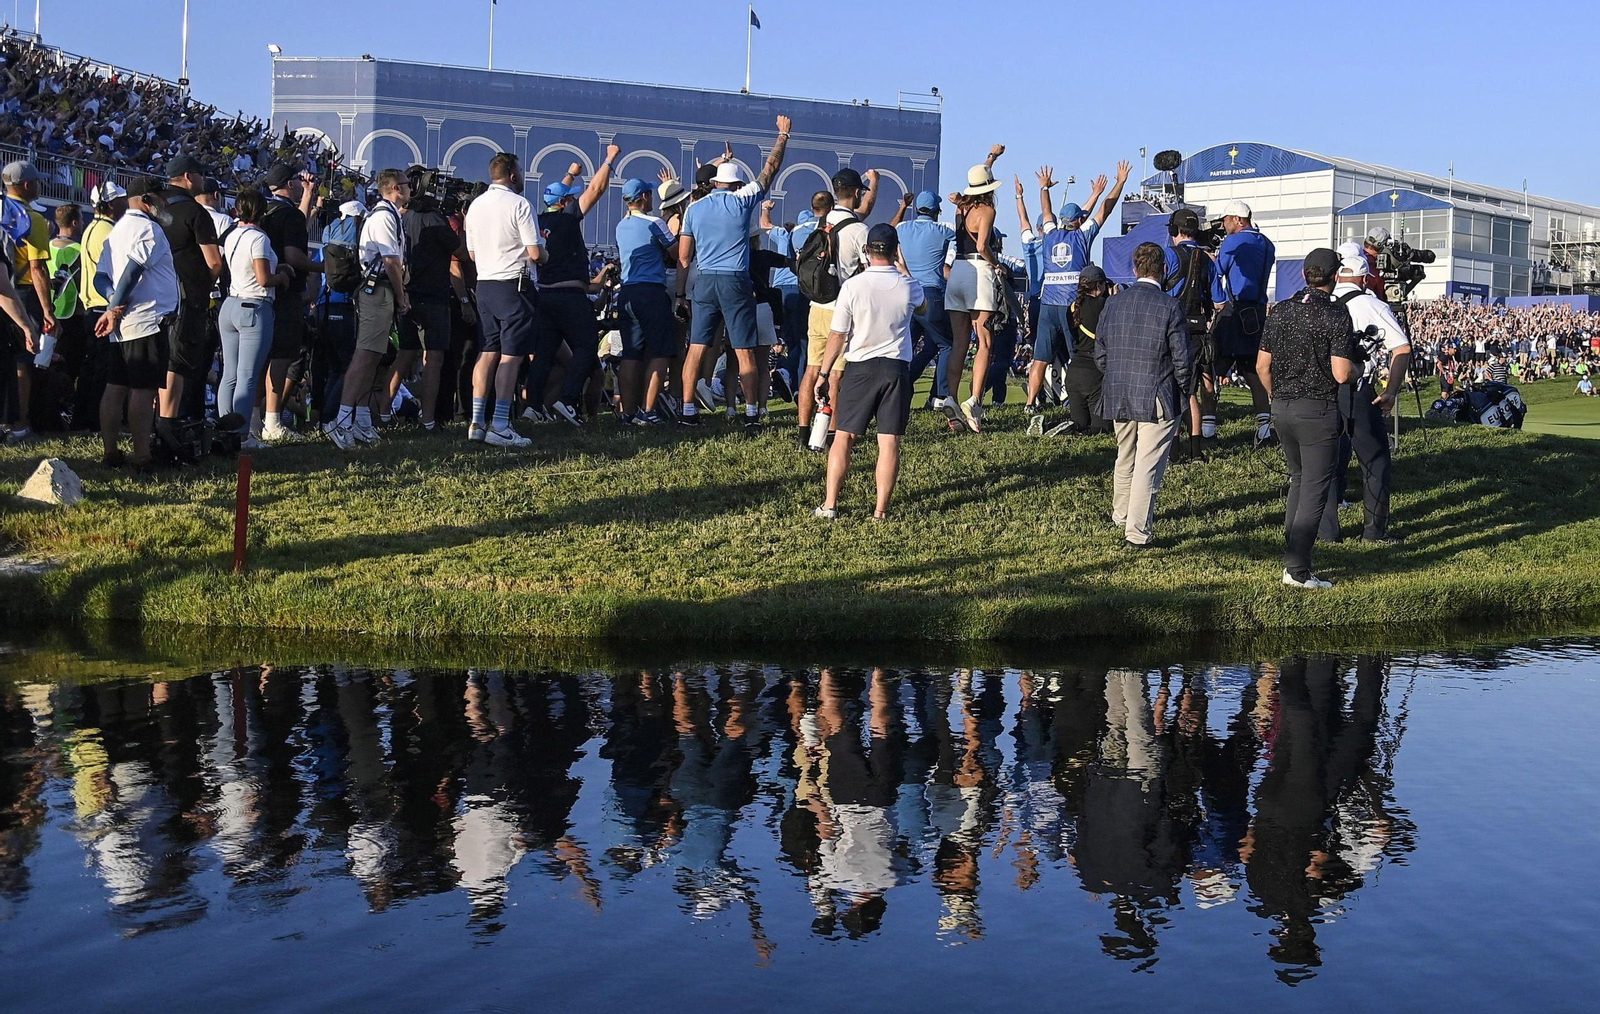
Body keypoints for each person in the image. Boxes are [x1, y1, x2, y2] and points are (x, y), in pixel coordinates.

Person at [674, 114, 792, 436]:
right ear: (737, 184)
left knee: (696, 348)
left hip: (705, 280)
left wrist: (681, 295)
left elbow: (683, 256)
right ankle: (751, 412)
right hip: (735, 280)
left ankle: (687, 410)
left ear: (715, 183)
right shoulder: (742, 201)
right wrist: (782, 136)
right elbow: (770, 169)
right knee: (744, 350)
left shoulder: (694, 209)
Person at [1258, 248, 1357, 589]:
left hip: (1282, 406)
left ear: (1304, 274)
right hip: (1317, 409)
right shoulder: (1336, 313)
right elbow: (1341, 373)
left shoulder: (1281, 310)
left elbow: (1262, 366)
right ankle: (1297, 568)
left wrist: (1274, 395)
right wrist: (1360, 368)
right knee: (1315, 489)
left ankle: (1293, 557)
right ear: (1335, 277)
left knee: (1298, 481)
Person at [813, 224, 923, 520]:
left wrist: (824, 374)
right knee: (889, 441)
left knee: (844, 437)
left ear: (867, 250)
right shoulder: (908, 286)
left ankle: (830, 504)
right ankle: (880, 511)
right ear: (896, 250)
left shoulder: (853, 286)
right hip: (895, 368)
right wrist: (905, 269)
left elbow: (838, 335)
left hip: (860, 367)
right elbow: (923, 307)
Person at [1093, 242, 1193, 548]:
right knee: (1148, 465)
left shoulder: (1113, 304)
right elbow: (1182, 359)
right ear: (1164, 270)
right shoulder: (1170, 306)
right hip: (1157, 393)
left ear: (1135, 269)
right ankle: (1137, 533)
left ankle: (1121, 515)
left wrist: (1115, 376)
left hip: (1119, 391)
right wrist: (1184, 392)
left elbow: (1100, 354)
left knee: (1125, 456)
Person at [1321, 241, 1410, 545]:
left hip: (1320, 390)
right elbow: (1402, 348)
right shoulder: (1371, 304)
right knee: (1375, 461)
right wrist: (1391, 391)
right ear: (1363, 278)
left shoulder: (1319, 300)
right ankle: (1374, 531)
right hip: (1357, 388)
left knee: (1324, 462)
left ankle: (1326, 532)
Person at [527, 145, 618, 425]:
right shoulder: (567, 219)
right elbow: (596, 191)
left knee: (544, 355)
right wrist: (609, 159)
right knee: (587, 347)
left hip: (545, 296)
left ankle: (533, 406)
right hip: (570, 296)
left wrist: (570, 175)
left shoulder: (539, 221)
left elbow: (555, 198)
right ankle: (567, 401)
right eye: (570, 198)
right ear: (565, 203)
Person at [93, 177, 179, 469]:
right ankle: (142, 456)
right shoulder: (148, 228)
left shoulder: (116, 231)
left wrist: (112, 302)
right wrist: (114, 308)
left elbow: (101, 278)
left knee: (115, 386)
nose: (165, 202)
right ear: (147, 200)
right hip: (146, 318)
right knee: (143, 389)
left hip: (123, 322)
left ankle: (111, 452)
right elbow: (133, 270)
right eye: (161, 197)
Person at [1028, 163, 1128, 412]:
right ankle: (1078, 402)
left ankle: (1030, 404)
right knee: (1079, 356)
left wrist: (1044, 188)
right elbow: (1106, 209)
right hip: (1072, 305)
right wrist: (1120, 182)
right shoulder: (1082, 236)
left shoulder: (1049, 234)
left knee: (1040, 359)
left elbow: (1046, 210)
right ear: (1080, 220)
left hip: (1047, 304)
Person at [463, 151, 545, 447]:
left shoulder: (475, 205)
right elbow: (535, 252)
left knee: (487, 351)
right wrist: (545, 254)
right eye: (520, 172)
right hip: (514, 285)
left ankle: (476, 421)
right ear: (512, 175)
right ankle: (499, 423)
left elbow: (472, 254)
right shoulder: (520, 204)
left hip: (485, 284)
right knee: (511, 355)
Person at [328, 168, 410, 449]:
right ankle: (341, 420)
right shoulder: (385, 216)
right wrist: (401, 295)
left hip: (379, 289)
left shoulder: (387, 214)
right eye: (406, 184)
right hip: (378, 289)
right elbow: (391, 261)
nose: (410, 189)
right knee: (364, 355)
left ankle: (361, 419)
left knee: (374, 355)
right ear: (395, 187)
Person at [802, 165, 878, 440]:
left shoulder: (822, 221)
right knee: (836, 374)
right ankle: (831, 433)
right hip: (842, 308)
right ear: (857, 193)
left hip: (817, 305)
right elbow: (870, 270)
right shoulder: (859, 229)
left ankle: (803, 433)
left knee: (812, 370)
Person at [217, 187, 292, 447]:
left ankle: (225, 428)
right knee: (247, 376)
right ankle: (241, 434)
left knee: (229, 374)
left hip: (231, 303)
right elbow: (263, 278)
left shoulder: (232, 235)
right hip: (254, 306)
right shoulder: (259, 238)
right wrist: (281, 277)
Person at [944, 145, 1007, 433]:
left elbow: (979, 177)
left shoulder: (961, 208)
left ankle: (951, 397)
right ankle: (975, 402)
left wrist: (991, 158)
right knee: (984, 342)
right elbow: (982, 246)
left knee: (959, 343)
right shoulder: (988, 210)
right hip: (979, 273)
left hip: (957, 271)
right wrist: (997, 264)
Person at [158, 155, 222, 428]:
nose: (202, 179)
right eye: (200, 174)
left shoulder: (154, 208)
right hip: (186, 297)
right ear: (188, 177)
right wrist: (203, 286)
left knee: (159, 359)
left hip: (155, 295)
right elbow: (214, 262)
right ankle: (170, 422)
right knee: (179, 363)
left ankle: (157, 421)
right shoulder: (196, 212)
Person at [257, 163, 320, 442]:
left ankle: (254, 421)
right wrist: (322, 268)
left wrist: (308, 195)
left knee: (260, 360)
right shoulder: (288, 215)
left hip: (261, 294)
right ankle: (272, 421)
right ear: (289, 183)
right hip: (286, 292)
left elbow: (296, 230)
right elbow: (294, 254)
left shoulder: (265, 211)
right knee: (281, 358)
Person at [1210, 200, 1276, 446]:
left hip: (1235, 310)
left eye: (1226, 219)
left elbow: (1217, 271)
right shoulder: (1267, 243)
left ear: (1238, 219)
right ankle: (1265, 429)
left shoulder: (1234, 241)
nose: (1224, 225)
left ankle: (1206, 428)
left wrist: (1210, 258)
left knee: (1212, 368)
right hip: (1258, 312)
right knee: (1254, 371)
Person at [397, 179, 461, 432]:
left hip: (409, 293)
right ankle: (428, 420)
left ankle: (383, 413)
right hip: (433, 296)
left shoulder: (406, 217)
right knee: (434, 357)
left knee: (405, 354)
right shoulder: (435, 219)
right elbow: (460, 251)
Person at [614, 176, 678, 423]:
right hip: (652, 291)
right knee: (661, 352)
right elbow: (675, 252)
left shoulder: (621, 225)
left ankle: (628, 413)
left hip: (627, 291)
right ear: (644, 197)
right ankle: (648, 411)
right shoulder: (655, 223)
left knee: (631, 354)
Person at [2, 160, 54, 443]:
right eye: (36, 181)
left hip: (3, 291)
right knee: (24, 360)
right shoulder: (32, 218)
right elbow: (37, 269)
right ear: (26, 185)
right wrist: (47, 310)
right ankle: (20, 423)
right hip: (22, 293)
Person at [1161, 208, 1218, 456]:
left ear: (1174, 230)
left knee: (1172, 390)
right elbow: (1220, 301)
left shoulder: (1168, 255)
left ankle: (1173, 450)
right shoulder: (1208, 260)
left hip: (1171, 328)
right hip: (1197, 331)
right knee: (1191, 391)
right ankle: (1196, 450)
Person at [893, 191, 955, 413]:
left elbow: (889, 230)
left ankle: (901, 388)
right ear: (937, 211)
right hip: (930, 295)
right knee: (947, 345)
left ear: (917, 209)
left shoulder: (902, 228)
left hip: (905, 294)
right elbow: (964, 232)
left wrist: (902, 207)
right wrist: (961, 206)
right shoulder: (943, 229)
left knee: (908, 348)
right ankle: (940, 395)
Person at [73, 182, 124, 430]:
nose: (126, 203)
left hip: (92, 306)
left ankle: (83, 418)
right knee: (102, 369)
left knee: (91, 367)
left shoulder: (93, 229)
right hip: (103, 307)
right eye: (122, 199)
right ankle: (94, 420)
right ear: (111, 204)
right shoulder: (108, 231)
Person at [1062, 264, 1113, 434]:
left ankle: (1054, 428)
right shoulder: (1105, 305)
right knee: (1101, 429)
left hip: (1075, 371)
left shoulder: (1072, 308)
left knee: (1079, 424)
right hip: (1095, 374)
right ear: (1099, 285)